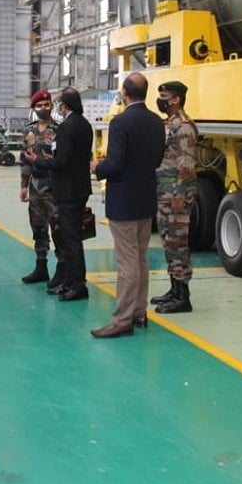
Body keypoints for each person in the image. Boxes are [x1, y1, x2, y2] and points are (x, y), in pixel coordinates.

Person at [89, 73, 164, 337]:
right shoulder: (156, 122)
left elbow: (116, 163)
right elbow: (156, 159)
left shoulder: (121, 122)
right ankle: (139, 312)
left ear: (124, 92)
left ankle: (122, 320)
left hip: (124, 201)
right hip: (145, 199)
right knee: (140, 258)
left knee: (127, 262)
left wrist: (98, 167)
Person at [25, 86, 93, 302]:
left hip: (67, 190)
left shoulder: (66, 127)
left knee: (70, 239)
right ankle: (71, 281)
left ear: (64, 105)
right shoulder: (85, 125)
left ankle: (76, 284)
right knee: (73, 239)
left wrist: (39, 161)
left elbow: (61, 161)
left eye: (56, 104)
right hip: (80, 187)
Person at [150, 80, 199, 315]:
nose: (161, 100)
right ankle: (174, 289)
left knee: (178, 243)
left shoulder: (184, 127)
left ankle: (183, 296)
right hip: (165, 193)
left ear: (176, 99)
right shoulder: (170, 124)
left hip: (176, 195)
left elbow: (186, 165)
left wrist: (179, 195)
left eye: (164, 95)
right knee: (169, 242)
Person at [19, 89, 63, 286]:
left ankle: (62, 269)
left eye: (47, 105)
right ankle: (41, 267)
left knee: (58, 227)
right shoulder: (29, 132)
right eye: (40, 106)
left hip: (54, 186)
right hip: (36, 186)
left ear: (51, 106)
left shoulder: (60, 129)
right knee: (38, 227)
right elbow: (25, 161)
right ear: (34, 109)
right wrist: (23, 186)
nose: (44, 108)